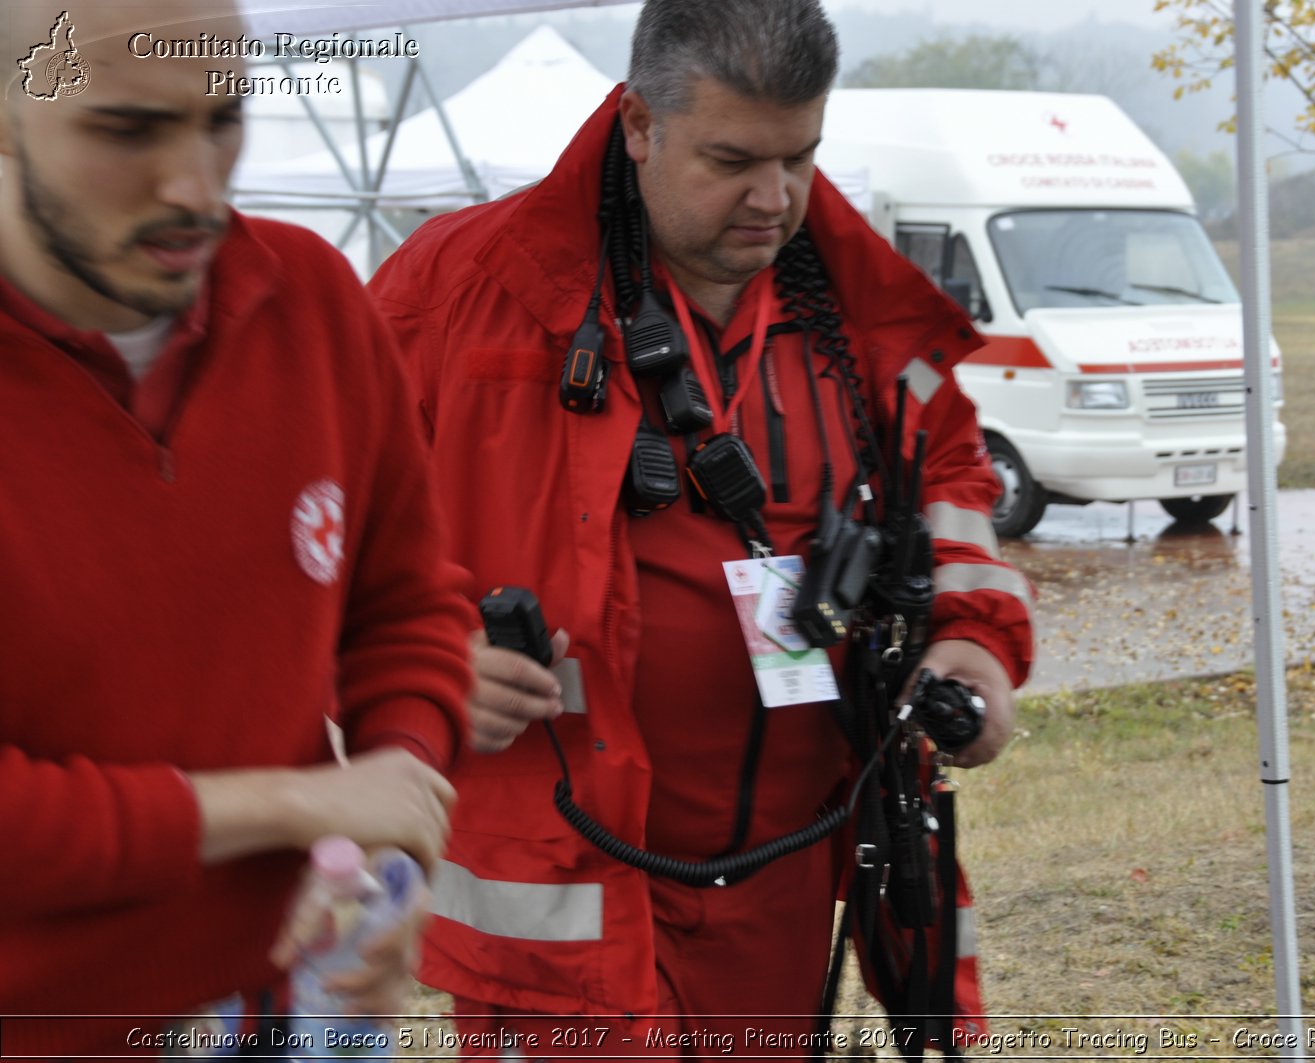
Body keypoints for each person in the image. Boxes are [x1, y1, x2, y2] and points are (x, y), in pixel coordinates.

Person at [368, 0, 1033, 1050]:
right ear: (638, 125)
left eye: (799, 157)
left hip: (784, 875)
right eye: (730, 160)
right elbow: (308, 527)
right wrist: (419, 663)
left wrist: (972, 643)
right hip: (563, 886)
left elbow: (948, 476)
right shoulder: (458, 290)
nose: (773, 199)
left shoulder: (856, 309)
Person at [0, 2, 474, 1056]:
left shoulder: (311, 300)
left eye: (223, 118)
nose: (196, 189)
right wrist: (295, 803)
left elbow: (405, 604)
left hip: (289, 1012)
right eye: (126, 130)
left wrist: (387, 829)